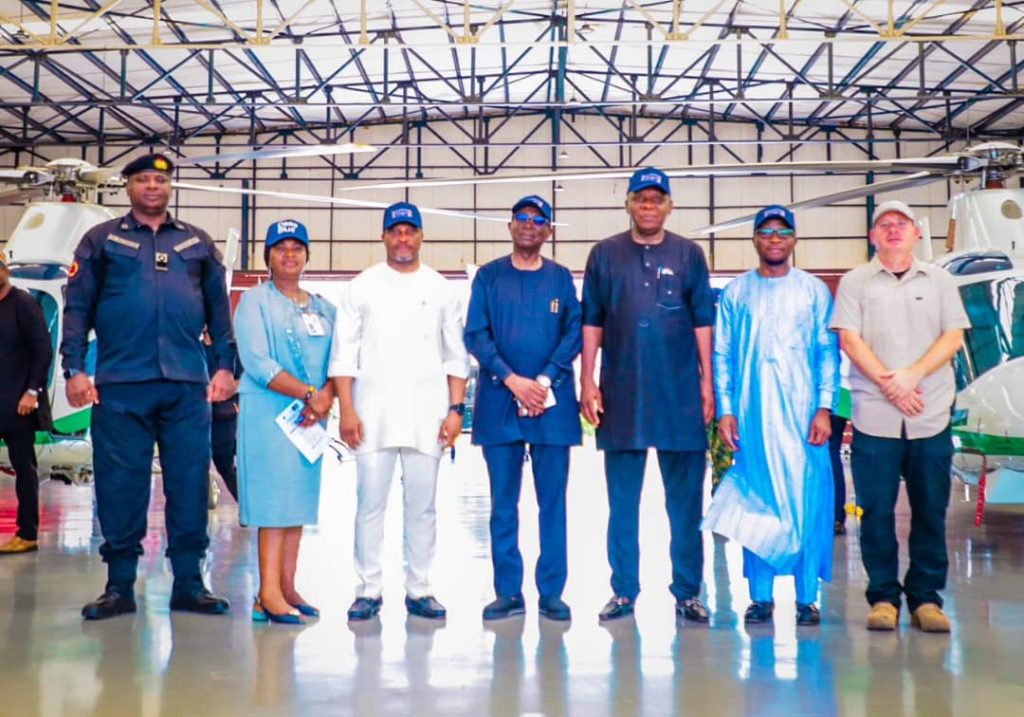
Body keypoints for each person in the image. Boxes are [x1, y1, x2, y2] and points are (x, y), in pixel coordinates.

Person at [61, 153, 236, 620]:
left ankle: (189, 584)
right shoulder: (101, 241)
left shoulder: (196, 242)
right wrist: (74, 368)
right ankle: (119, 586)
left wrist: (225, 367)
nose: (152, 187)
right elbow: (76, 307)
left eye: (160, 179)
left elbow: (219, 311)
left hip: (186, 384)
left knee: (190, 483)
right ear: (128, 187)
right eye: (142, 179)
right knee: (120, 485)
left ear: (170, 186)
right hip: (121, 384)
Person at [581, 167, 715, 623]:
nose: (648, 206)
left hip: (680, 395)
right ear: (628, 204)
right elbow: (592, 321)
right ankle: (623, 591)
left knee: (685, 505)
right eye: (641, 199)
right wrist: (587, 379)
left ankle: (688, 592)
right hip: (623, 394)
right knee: (622, 505)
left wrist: (707, 382)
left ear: (669, 206)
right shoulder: (604, 254)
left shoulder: (689, 254)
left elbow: (703, 322)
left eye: (657, 199)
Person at [831, 200, 970, 633]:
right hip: (875, 417)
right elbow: (849, 339)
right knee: (875, 512)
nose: (893, 230)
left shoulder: (940, 280)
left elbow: (953, 336)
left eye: (902, 224)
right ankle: (884, 598)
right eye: (885, 224)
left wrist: (912, 376)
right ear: (873, 236)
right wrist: (890, 384)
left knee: (930, 509)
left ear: (916, 233)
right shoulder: (855, 282)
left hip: (930, 414)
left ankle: (926, 599)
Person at [330, 202, 470, 622]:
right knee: (369, 505)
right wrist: (347, 410)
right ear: (384, 237)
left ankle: (420, 589)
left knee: (423, 508)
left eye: (410, 230)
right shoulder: (362, 286)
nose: (403, 238)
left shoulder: (441, 288)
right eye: (395, 231)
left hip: (429, 417)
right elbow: (344, 356)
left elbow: (456, 356)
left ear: (421, 236)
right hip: (370, 417)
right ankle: (368, 590)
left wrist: (456, 410)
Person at [702, 205, 840, 627]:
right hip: (753, 417)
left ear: (794, 240)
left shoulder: (814, 291)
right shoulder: (736, 293)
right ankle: (760, 597)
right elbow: (723, 355)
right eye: (766, 232)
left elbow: (827, 353)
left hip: (804, 419)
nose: (775, 239)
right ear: (755, 240)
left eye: (782, 232)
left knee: (808, 503)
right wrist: (727, 410)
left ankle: (807, 597)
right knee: (756, 503)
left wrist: (824, 407)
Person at [464, 195, 582, 622]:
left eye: (538, 220)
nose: (529, 225)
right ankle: (508, 592)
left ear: (548, 230)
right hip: (500, 403)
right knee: (502, 505)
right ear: (510, 225)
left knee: (553, 504)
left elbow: (573, 333)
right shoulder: (489, 277)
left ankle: (551, 592)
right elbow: (476, 335)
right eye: (522, 218)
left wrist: (544, 381)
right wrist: (512, 380)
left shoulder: (560, 279)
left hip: (551, 406)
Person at [234, 220, 335, 624]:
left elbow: (342, 359)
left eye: (297, 248)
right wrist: (310, 394)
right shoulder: (254, 301)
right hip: (267, 413)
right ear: (268, 257)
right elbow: (257, 361)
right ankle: (268, 594)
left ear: (307, 255)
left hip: (311, 419)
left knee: (296, 504)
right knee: (272, 504)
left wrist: (325, 396)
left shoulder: (324, 308)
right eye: (281, 248)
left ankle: (288, 587)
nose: (289, 255)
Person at [0, 250, 53, 555]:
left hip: (18, 405)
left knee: (24, 468)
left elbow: (42, 350)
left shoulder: (24, 304)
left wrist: (32, 391)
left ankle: (28, 533)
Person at [203, 329, 240, 502]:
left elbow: (243, 379)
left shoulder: (230, 349)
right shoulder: (194, 347)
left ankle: (247, 503)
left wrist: (223, 388)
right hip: (199, 413)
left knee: (224, 461)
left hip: (225, 413)